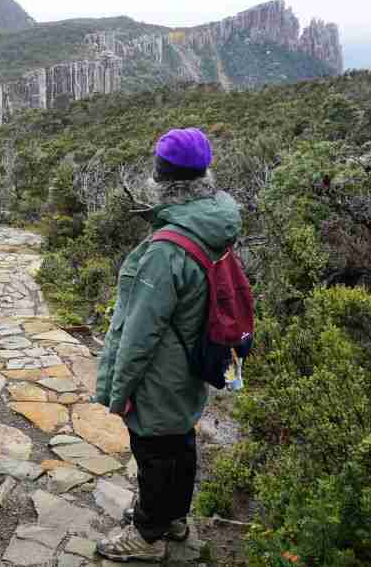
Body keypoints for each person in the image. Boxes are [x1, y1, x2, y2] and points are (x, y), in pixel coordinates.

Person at [93, 127, 241, 563]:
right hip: (195, 359)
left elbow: (140, 332)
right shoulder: (214, 224)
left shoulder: (166, 248)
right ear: (204, 176)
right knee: (180, 441)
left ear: (160, 179)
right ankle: (174, 518)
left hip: (161, 371)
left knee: (153, 449)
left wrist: (119, 391)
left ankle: (147, 532)